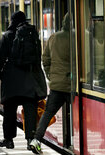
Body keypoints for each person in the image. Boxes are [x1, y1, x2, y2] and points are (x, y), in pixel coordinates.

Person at [0, 11, 39, 151]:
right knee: (30, 110)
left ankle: (9, 140)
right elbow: (38, 56)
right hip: (29, 79)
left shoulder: (7, 36)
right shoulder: (33, 34)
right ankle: (30, 140)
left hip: (11, 79)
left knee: (9, 111)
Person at [29, 13, 71, 154]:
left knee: (47, 114)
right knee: (80, 115)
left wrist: (51, 75)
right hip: (73, 86)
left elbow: (45, 59)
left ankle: (36, 140)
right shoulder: (82, 36)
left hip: (57, 85)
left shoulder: (54, 37)